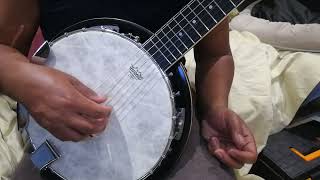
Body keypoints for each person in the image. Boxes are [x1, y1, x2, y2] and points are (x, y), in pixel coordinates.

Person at [0, 0, 257, 173]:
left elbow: (215, 54)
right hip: (58, 134)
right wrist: (28, 82)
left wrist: (214, 106)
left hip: (170, 120)